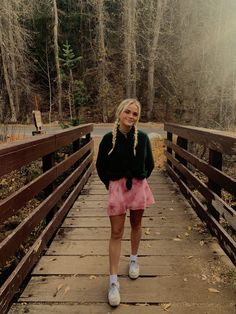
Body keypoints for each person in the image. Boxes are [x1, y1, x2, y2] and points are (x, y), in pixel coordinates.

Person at [96, 98, 155, 307]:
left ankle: (133, 260)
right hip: (117, 189)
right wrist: (112, 186)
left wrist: (140, 177)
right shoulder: (106, 139)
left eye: (135, 114)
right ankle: (113, 281)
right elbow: (100, 166)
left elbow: (150, 164)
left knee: (136, 225)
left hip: (138, 186)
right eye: (127, 112)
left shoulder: (144, 138)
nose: (131, 116)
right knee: (116, 232)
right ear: (120, 112)